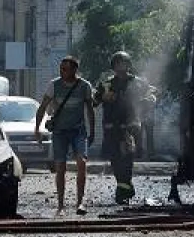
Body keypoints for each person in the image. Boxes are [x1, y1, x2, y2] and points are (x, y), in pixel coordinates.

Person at [93, 50, 157, 205]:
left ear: (128, 65)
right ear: (113, 66)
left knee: (128, 159)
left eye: (123, 63)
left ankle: (123, 190)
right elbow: (94, 101)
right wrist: (102, 97)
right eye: (117, 64)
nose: (120, 66)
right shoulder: (107, 84)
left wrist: (145, 101)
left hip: (131, 127)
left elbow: (153, 95)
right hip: (112, 128)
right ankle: (125, 187)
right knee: (115, 160)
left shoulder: (139, 83)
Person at [34, 56, 96, 216]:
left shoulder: (84, 86)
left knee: (82, 163)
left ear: (74, 70)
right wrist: (37, 128)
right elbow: (42, 107)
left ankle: (80, 202)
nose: (62, 72)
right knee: (60, 167)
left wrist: (92, 131)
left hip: (78, 131)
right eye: (61, 69)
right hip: (60, 132)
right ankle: (61, 206)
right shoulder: (54, 86)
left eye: (65, 69)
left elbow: (90, 110)